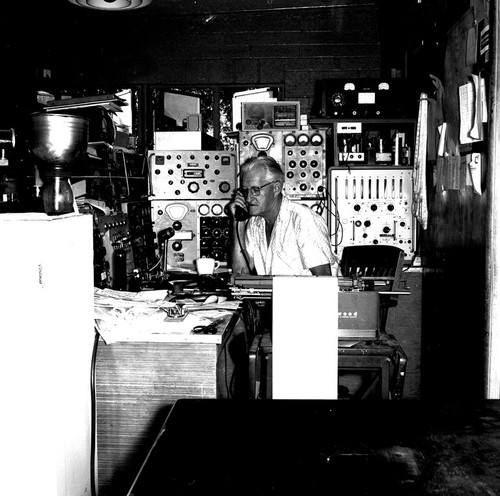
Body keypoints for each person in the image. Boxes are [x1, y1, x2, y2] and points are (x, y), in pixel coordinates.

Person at [228, 155, 339, 276]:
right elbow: (240, 272)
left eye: (256, 190)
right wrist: (237, 222)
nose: (248, 198)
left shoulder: (303, 220)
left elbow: (324, 280)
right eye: (245, 191)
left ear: (276, 188)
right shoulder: (255, 223)